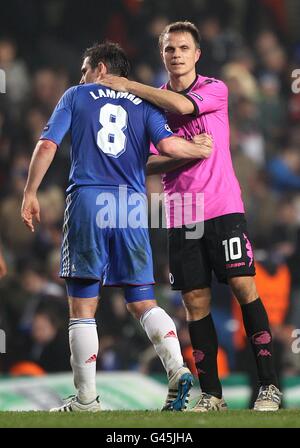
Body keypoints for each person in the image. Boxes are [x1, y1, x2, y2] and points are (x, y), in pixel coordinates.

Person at [100, 22, 283, 411]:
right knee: (195, 303)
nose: (177, 55)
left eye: (184, 48)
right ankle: (212, 394)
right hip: (181, 209)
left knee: (243, 288)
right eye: (170, 49)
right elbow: (143, 162)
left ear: (197, 54)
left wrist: (128, 85)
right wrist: (185, 151)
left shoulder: (215, 89)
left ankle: (268, 386)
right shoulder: (149, 106)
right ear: (162, 55)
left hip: (222, 204)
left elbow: (183, 108)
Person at [21, 41, 213, 412]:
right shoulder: (145, 105)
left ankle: (86, 400)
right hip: (131, 206)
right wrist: (201, 148)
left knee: (82, 306)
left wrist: (30, 191)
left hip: (90, 201)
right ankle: (177, 370)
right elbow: (171, 147)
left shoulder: (76, 96)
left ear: (101, 68)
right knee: (142, 300)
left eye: (84, 69)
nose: (81, 77)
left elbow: (47, 146)